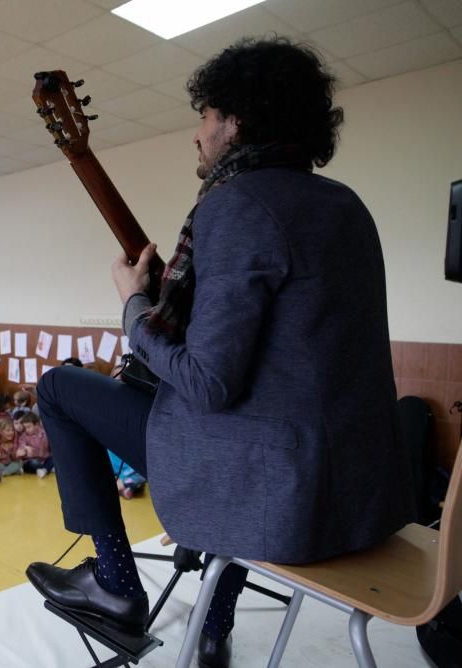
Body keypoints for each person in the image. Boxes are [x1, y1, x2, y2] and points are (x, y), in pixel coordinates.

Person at [25, 37, 413, 668]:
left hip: (278, 497)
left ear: (236, 120)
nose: (197, 134)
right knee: (248, 429)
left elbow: (208, 382)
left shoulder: (237, 206)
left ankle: (118, 584)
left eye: (204, 117)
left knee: (58, 387)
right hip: (357, 496)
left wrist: (132, 306)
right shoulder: (346, 205)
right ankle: (215, 626)